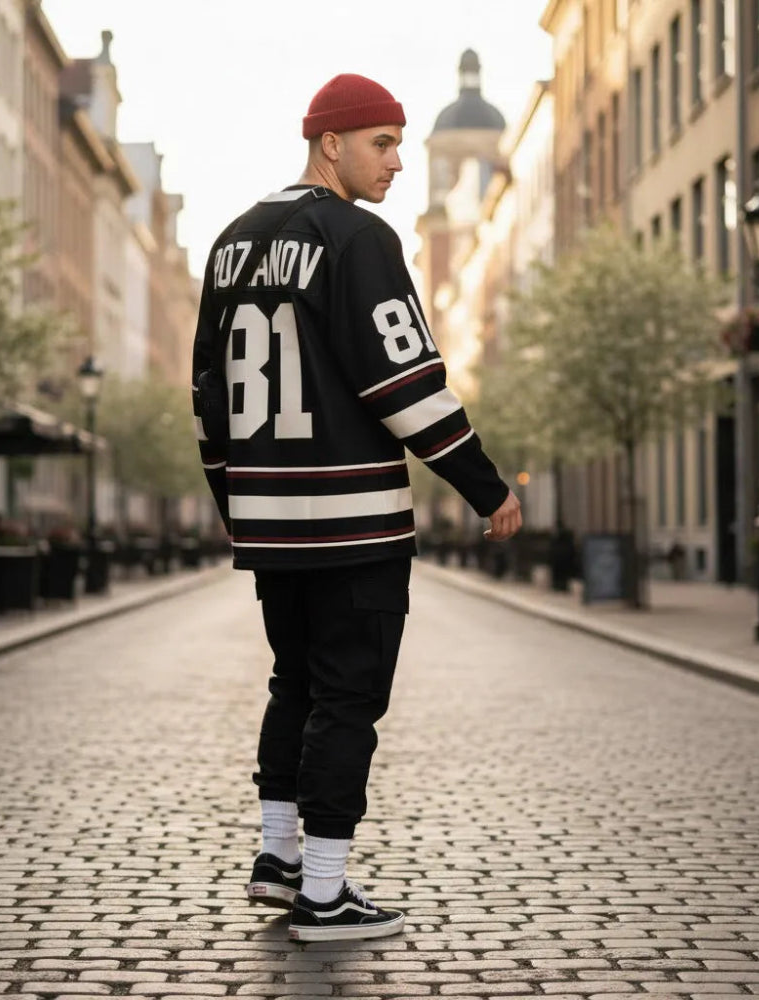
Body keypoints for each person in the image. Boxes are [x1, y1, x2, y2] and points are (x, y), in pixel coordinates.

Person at [192, 73, 521, 943]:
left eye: (401, 143)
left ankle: (278, 858)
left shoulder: (230, 243)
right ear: (328, 144)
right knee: (349, 697)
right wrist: (488, 489)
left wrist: (234, 499)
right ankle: (326, 894)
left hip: (268, 521)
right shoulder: (358, 238)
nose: (398, 162)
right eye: (382, 143)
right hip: (356, 524)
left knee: (292, 682)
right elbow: (406, 384)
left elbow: (207, 395)